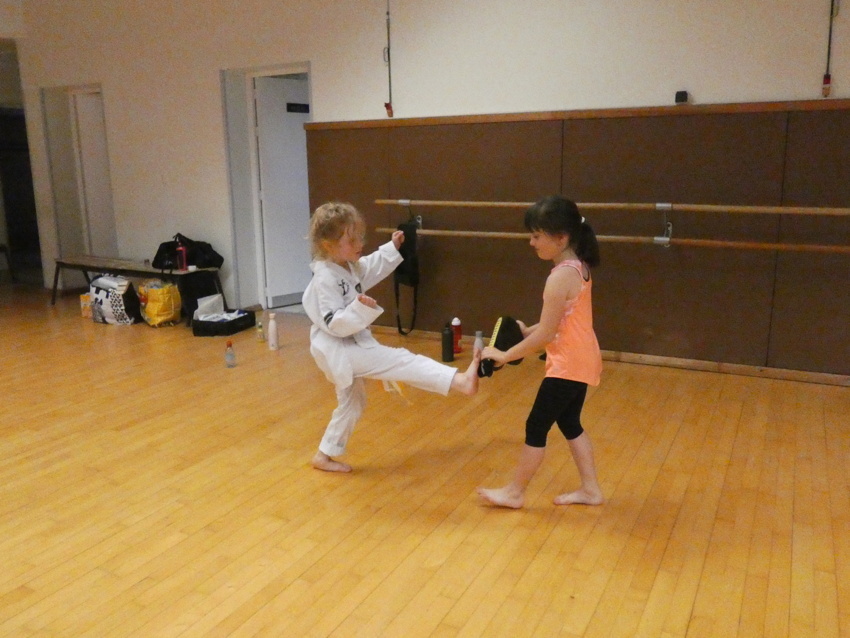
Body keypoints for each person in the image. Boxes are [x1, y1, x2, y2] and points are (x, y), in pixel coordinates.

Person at [302, 201, 482, 473]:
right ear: (328, 245)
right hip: (339, 349)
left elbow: (369, 267)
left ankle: (324, 455)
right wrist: (359, 308)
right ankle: (459, 381)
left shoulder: (348, 266)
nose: (360, 243)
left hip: (350, 343)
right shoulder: (325, 278)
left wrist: (392, 248)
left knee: (353, 403)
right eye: (351, 240)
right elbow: (334, 323)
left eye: (360, 236)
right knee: (400, 360)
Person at [477, 195, 604, 508]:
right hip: (582, 358)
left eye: (536, 236)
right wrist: (526, 332)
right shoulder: (578, 267)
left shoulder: (560, 276)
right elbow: (561, 320)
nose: (531, 242)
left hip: (568, 365)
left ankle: (514, 493)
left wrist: (505, 355)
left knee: (536, 426)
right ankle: (591, 490)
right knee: (569, 422)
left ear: (560, 238)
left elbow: (547, 333)